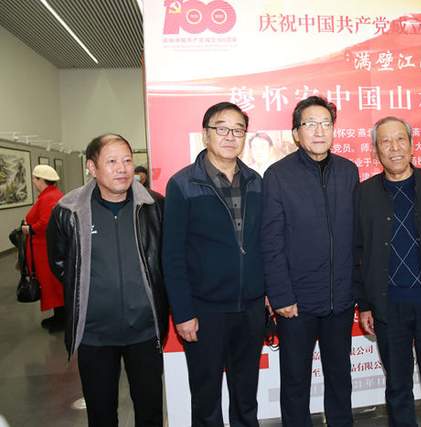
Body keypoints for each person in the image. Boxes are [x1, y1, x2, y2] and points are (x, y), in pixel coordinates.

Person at [47, 133, 168, 427]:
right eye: (112, 161)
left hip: (144, 331)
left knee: (150, 412)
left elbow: (166, 260)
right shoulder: (68, 210)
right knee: (101, 414)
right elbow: (60, 263)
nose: (122, 169)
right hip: (94, 334)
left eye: (127, 160)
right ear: (92, 167)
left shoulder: (154, 206)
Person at [163, 102, 266, 427]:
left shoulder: (256, 181)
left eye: (238, 130)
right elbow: (172, 255)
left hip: (250, 308)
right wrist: (183, 312)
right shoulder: (182, 184)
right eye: (222, 128)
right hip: (205, 310)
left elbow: (264, 243)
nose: (230, 136)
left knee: (246, 395)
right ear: (206, 134)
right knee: (206, 398)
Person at [353, 117, 421, 427]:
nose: (394, 147)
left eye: (400, 139)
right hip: (389, 307)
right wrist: (365, 304)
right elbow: (358, 251)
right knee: (398, 388)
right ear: (376, 150)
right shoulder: (364, 193)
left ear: (412, 144)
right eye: (385, 141)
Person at [261, 96, 359, 427]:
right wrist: (281, 296)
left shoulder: (348, 171)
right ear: (296, 133)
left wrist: (355, 289)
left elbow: (356, 237)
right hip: (296, 303)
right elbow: (271, 241)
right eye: (310, 124)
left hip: (340, 300)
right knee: (295, 382)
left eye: (326, 124)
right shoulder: (278, 175)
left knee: (340, 378)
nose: (319, 131)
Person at [22, 165, 64, 332]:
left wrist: (30, 229)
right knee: (52, 284)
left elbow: (46, 222)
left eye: (34, 178)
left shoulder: (49, 197)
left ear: (41, 180)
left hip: (46, 249)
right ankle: (58, 316)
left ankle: (61, 319)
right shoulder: (51, 195)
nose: (33, 181)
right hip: (45, 247)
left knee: (52, 284)